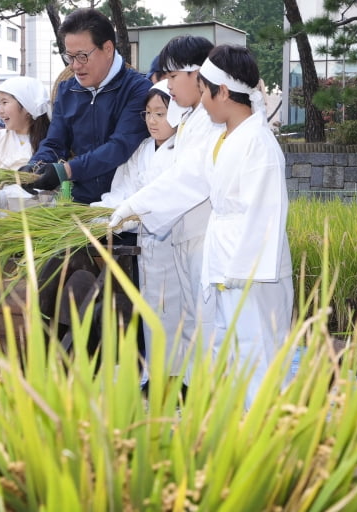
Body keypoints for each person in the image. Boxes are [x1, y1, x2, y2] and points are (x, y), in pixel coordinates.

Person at [111, 45, 293, 407]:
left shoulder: (257, 144)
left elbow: (263, 218)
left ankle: (270, 440)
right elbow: (187, 179)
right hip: (227, 270)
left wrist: (236, 273)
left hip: (251, 276)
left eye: (206, 90)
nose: (202, 101)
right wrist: (133, 205)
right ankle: (240, 435)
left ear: (222, 92)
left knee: (259, 358)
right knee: (235, 355)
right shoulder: (227, 138)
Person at [101, 35, 220, 383]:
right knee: (176, 315)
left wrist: (131, 207)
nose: (168, 85)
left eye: (171, 77)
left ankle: (202, 390)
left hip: (198, 237)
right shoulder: (193, 121)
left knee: (199, 320)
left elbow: (185, 180)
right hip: (176, 237)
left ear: (197, 75)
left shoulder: (206, 125)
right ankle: (179, 383)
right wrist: (121, 208)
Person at [95, 80, 185, 378]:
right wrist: (101, 211)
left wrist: (127, 213)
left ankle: (179, 376)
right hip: (147, 246)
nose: (152, 120)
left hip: (174, 245)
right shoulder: (143, 150)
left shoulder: (182, 150)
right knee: (151, 309)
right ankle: (154, 374)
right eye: (148, 113)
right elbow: (122, 191)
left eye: (160, 113)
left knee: (177, 311)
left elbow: (162, 200)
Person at [20, 8, 150, 204]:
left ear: (107, 49)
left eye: (82, 56)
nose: (74, 66)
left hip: (123, 205)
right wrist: (36, 165)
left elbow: (119, 147)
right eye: (69, 57)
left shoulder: (138, 89)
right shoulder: (68, 90)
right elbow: (55, 142)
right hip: (77, 202)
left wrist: (67, 171)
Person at [0, 76, 51, 211]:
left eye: (4, 102)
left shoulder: (51, 144)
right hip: (2, 224)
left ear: (26, 107)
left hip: (41, 220)